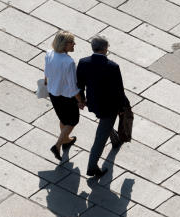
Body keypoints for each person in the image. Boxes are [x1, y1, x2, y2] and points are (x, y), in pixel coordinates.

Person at [76, 35, 130, 180]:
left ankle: (115, 140)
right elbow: (119, 91)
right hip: (109, 107)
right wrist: (122, 106)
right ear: (105, 49)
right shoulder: (112, 66)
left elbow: (79, 84)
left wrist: (80, 100)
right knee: (100, 138)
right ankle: (92, 168)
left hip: (93, 104)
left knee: (105, 124)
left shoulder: (83, 62)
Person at [44, 30, 85, 161]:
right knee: (73, 121)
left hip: (53, 93)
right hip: (66, 97)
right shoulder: (68, 62)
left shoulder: (49, 53)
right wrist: (80, 101)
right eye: (71, 42)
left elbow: (46, 73)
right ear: (64, 44)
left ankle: (66, 139)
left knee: (63, 119)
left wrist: (46, 83)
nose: (74, 44)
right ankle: (57, 146)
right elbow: (73, 87)